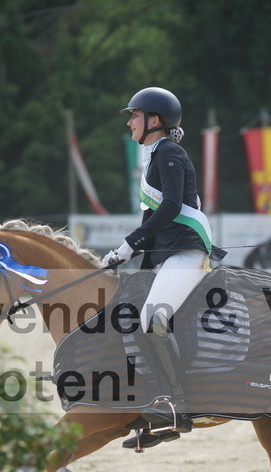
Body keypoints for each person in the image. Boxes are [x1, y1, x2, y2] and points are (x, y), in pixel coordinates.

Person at [101, 86, 224, 449]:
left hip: (187, 253)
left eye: (134, 116)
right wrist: (129, 256)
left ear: (154, 120)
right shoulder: (154, 156)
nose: (129, 123)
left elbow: (169, 208)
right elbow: (151, 217)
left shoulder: (169, 153)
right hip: (167, 256)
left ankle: (175, 406)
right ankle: (149, 408)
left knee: (153, 318)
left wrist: (127, 245)